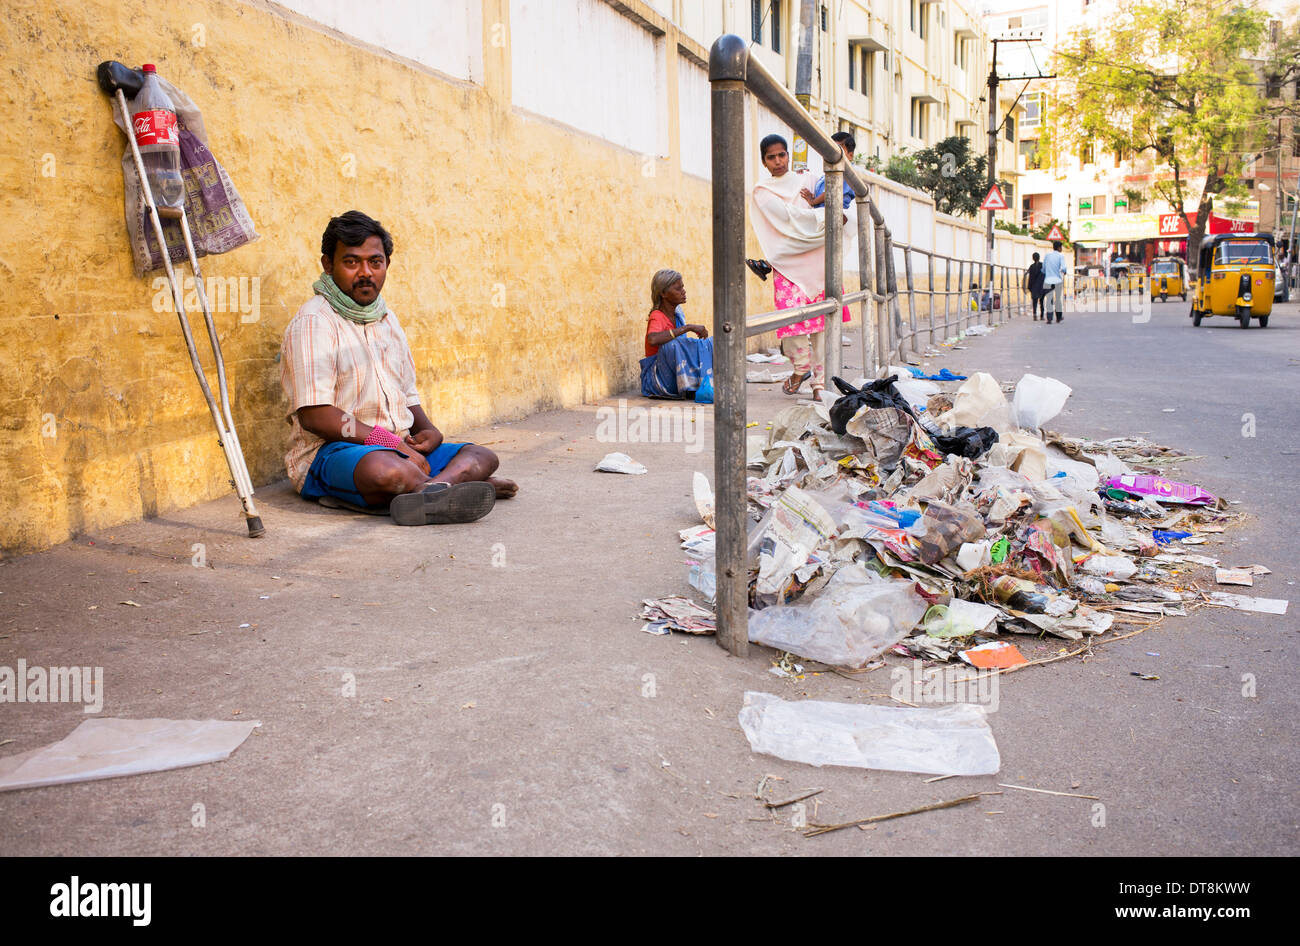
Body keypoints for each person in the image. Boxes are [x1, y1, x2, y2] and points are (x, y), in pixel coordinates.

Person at [280, 210, 517, 526]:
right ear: (328, 264)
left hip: (401, 448)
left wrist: (430, 431)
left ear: (386, 265)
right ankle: (453, 485)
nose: (366, 272)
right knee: (388, 472)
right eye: (352, 262)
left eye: (375, 262)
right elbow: (316, 415)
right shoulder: (314, 322)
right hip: (336, 452)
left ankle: (430, 490)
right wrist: (391, 444)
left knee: (483, 457)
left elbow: (405, 393)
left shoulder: (387, 320)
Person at [750, 133, 851, 400]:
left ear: (788, 155)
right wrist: (822, 219)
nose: (778, 161)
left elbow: (839, 199)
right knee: (792, 323)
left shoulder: (807, 179)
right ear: (764, 161)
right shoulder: (763, 191)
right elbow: (786, 219)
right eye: (771, 157)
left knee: (820, 324)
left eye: (782, 154)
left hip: (817, 259)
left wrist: (826, 214)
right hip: (787, 260)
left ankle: (819, 384)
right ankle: (800, 369)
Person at [641, 269, 713, 400]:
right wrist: (688, 327)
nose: (683, 291)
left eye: (683, 287)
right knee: (673, 345)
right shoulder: (657, 316)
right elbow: (652, 339)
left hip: (673, 376)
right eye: (678, 289)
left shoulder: (677, 314)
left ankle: (705, 383)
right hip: (657, 379)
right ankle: (689, 387)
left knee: (710, 343)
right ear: (663, 293)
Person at [802, 132, 858, 211]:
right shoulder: (830, 172)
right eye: (830, 150)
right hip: (823, 212)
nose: (832, 155)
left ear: (850, 155)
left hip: (835, 214)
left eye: (838, 151)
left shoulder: (848, 172)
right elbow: (823, 191)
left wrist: (813, 201)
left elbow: (832, 191)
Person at [1042, 240, 1067, 323]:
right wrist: (1064, 272)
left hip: (1048, 280)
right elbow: (1063, 268)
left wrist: (1047, 273)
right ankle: (1058, 317)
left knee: (1049, 299)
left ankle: (1049, 318)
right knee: (1058, 300)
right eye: (1061, 247)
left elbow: (1043, 269)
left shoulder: (1047, 255)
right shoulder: (1061, 256)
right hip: (1057, 280)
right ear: (1059, 248)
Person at [1025, 251, 1046, 320]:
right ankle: (1042, 316)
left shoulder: (1031, 266)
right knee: (1042, 301)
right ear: (1039, 258)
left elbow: (1027, 273)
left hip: (1034, 286)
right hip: (1041, 286)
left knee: (1035, 301)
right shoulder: (1042, 265)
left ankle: (1035, 315)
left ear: (1033, 258)